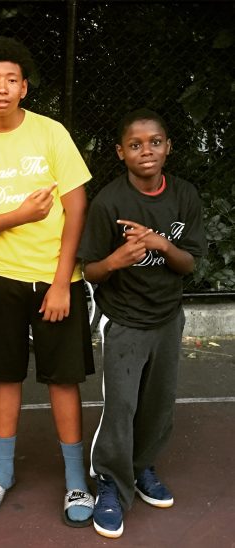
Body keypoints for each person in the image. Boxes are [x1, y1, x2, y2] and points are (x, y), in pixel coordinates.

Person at [0, 36, 95, 526]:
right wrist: (19, 215)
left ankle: (75, 478)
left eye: (12, 79)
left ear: (24, 87)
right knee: (5, 374)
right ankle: (2, 471)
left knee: (63, 379)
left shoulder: (51, 133)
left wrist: (61, 281)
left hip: (55, 280)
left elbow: (77, 207)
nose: (3, 88)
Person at [78, 109, 206, 539]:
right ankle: (110, 482)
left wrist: (160, 244)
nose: (146, 151)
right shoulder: (109, 202)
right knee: (122, 406)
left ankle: (141, 466)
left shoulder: (184, 195)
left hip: (168, 317)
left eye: (154, 142)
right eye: (135, 145)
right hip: (125, 320)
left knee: (158, 402)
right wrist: (117, 259)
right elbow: (91, 270)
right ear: (121, 152)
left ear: (168, 147)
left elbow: (189, 264)